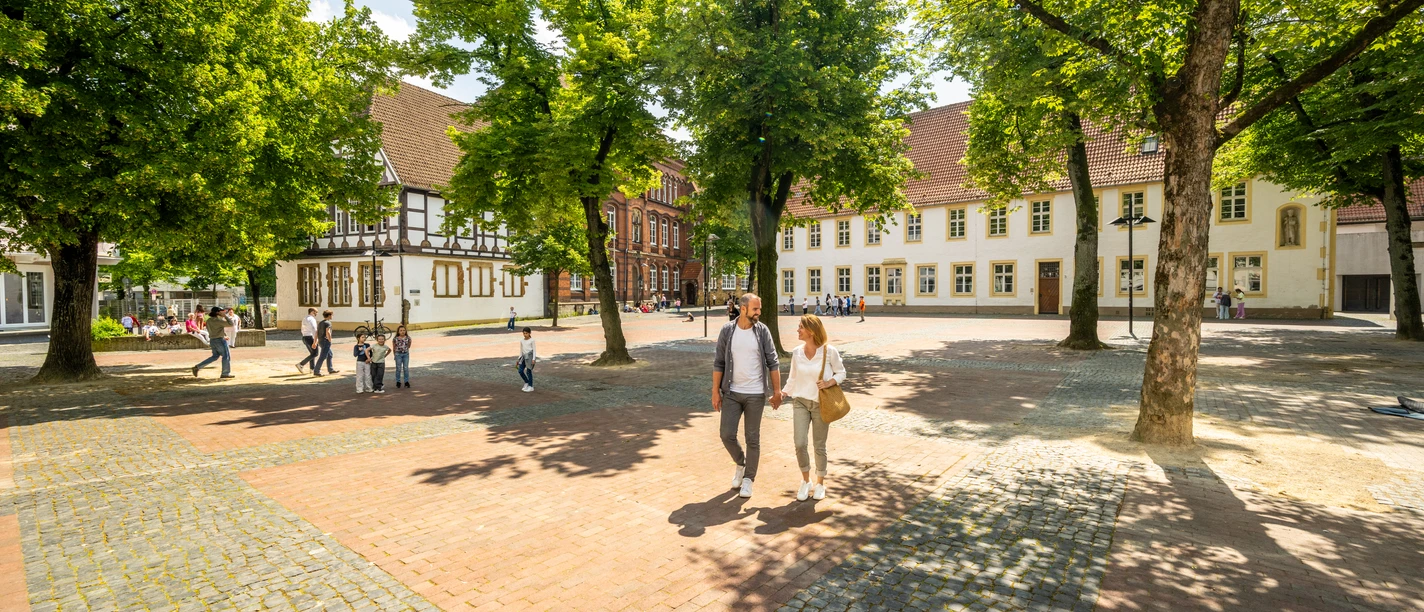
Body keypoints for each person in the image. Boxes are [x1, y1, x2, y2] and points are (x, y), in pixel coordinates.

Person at [712, 293, 782, 499]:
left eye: (759, 309)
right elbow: (719, 363)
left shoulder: (762, 331)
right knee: (727, 434)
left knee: (753, 438)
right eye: (755, 309)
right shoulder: (728, 330)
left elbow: (773, 362)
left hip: (755, 394)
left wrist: (777, 392)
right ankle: (741, 464)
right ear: (743, 309)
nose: (758, 313)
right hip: (732, 392)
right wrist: (715, 391)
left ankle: (749, 479)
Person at [782, 314, 845, 502]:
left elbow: (842, 372)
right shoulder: (796, 352)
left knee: (819, 445)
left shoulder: (829, 351)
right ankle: (806, 481)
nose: (797, 330)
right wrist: (782, 394)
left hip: (820, 404)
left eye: (800, 327)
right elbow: (792, 378)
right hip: (800, 402)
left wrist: (830, 382)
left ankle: (820, 484)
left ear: (811, 330)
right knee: (800, 443)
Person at [191, 307, 233, 379]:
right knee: (226, 356)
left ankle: (198, 367)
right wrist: (225, 316)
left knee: (215, 356)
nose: (223, 312)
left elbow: (216, 329)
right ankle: (225, 373)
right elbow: (231, 324)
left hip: (213, 340)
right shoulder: (218, 320)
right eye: (221, 311)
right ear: (217, 313)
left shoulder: (209, 320)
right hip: (219, 340)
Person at [313, 310, 338, 376]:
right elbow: (328, 332)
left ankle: (330, 369)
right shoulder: (328, 323)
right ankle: (316, 371)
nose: (332, 316)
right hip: (325, 341)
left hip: (321, 341)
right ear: (329, 315)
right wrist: (330, 340)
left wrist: (315, 341)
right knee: (323, 356)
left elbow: (316, 333)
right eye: (332, 315)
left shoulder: (320, 323)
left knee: (330, 354)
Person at [297, 307, 319, 374]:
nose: (316, 314)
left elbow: (302, 329)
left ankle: (312, 368)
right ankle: (301, 364)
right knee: (315, 353)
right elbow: (314, 329)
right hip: (310, 337)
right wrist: (316, 340)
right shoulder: (312, 319)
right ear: (312, 312)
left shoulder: (304, 318)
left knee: (312, 354)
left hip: (305, 337)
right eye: (316, 312)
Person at [517, 327, 537, 392]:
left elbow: (534, 350)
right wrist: (518, 359)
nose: (525, 334)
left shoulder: (532, 340)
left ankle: (530, 386)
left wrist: (533, 359)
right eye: (524, 333)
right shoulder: (522, 341)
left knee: (528, 371)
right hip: (523, 356)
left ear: (529, 333)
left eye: (526, 333)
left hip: (530, 356)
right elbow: (521, 350)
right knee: (520, 370)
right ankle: (526, 382)